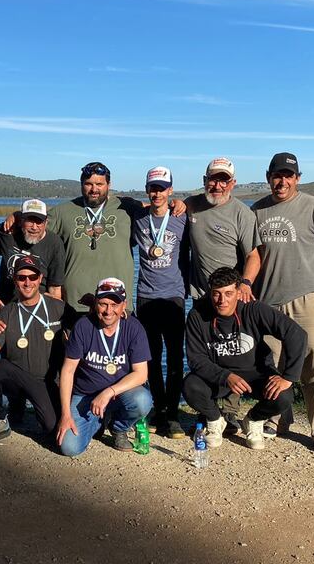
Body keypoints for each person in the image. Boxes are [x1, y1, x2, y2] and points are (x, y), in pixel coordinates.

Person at [251, 152, 314, 453]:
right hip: (268, 302)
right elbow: (252, 255)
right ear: (269, 177)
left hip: (309, 300)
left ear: (297, 178)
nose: (282, 181)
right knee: (273, 367)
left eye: (288, 176)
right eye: (277, 175)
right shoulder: (256, 210)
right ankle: (276, 418)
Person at [182, 267, 306, 450]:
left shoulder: (254, 310)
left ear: (238, 292)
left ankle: (253, 420)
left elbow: (296, 334)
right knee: (190, 385)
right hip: (221, 377)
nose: (222, 300)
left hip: (255, 374)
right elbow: (196, 359)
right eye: (216, 294)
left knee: (283, 395)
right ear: (210, 293)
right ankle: (215, 420)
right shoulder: (197, 315)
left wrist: (289, 377)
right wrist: (225, 376)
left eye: (228, 293)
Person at [0, 255, 68, 445]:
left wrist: (118, 315)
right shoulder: (6, 312)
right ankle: (0, 419)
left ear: (40, 278)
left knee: (53, 430)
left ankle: (30, 408)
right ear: (15, 280)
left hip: (48, 381)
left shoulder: (59, 308)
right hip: (18, 379)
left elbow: (86, 330)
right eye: (21, 277)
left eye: (32, 277)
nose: (27, 282)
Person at [56, 278, 153, 456]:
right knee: (69, 447)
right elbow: (67, 371)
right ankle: (99, 422)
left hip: (120, 394)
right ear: (95, 303)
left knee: (142, 400)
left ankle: (118, 427)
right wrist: (65, 414)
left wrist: (108, 392)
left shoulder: (134, 327)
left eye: (114, 304)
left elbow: (141, 375)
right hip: (86, 395)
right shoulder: (83, 326)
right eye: (103, 304)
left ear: (124, 305)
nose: (109, 311)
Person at [46, 162, 145, 321]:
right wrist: (16, 217)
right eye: (88, 184)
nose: (94, 189)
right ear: (81, 184)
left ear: (109, 185)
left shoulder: (127, 208)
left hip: (117, 306)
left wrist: (179, 204)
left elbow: (157, 212)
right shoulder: (62, 212)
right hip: (74, 305)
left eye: (99, 184)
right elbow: (34, 232)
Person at [132, 166, 188, 439]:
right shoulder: (138, 217)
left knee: (176, 356)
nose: (157, 193)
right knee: (150, 358)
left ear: (170, 190)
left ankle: (174, 414)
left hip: (174, 296)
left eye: (162, 188)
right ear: (147, 189)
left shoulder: (182, 217)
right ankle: (158, 408)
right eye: (153, 188)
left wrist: (184, 203)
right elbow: (119, 203)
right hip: (145, 296)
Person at [184, 157, 261, 302]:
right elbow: (166, 208)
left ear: (233, 184)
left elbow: (253, 256)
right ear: (204, 180)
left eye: (224, 181)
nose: (218, 186)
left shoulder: (242, 214)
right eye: (213, 179)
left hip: (229, 298)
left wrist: (246, 283)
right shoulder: (192, 205)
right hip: (201, 297)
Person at [0, 199, 66, 304]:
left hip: (37, 307)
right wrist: (14, 215)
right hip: (6, 305)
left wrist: (53, 311)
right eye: (30, 221)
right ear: (21, 221)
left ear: (46, 222)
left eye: (39, 222)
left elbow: (55, 288)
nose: (34, 227)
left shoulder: (54, 244)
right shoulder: (9, 233)